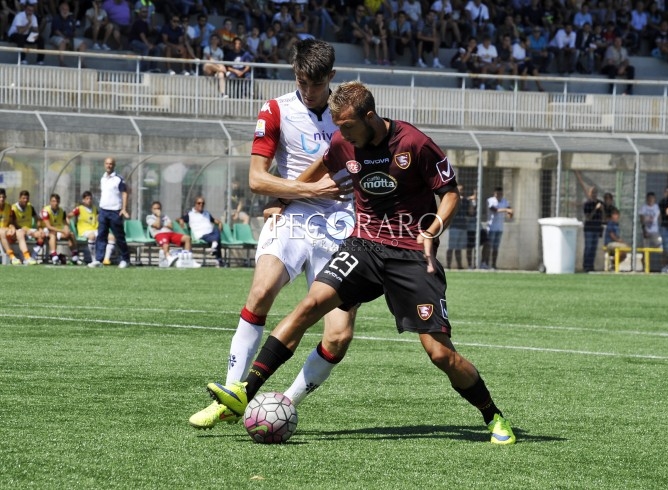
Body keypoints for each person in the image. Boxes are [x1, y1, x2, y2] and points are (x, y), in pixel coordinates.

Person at [207, 80, 516, 445]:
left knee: (440, 354)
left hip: (410, 253)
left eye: (348, 125)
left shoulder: (414, 143)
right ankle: (246, 390)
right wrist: (282, 199)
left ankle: (493, 415)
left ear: (370, 117)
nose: (341, 133)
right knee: (309, 306)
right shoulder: (343, 142)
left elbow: (449, 194)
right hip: (363, 245)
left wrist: (433, 228)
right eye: (338, 126)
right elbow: (320, 167)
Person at [189, 39, 357, 430]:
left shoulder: (349, 116)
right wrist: (305, 192)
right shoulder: (276, 109)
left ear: (330, 78)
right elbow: (256, 179)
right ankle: (231, 397)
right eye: (301, 81)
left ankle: (283, 404)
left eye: (315, 84)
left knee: (338, 334)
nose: (307, 90)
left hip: (343, 226)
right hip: (294, 215)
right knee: (261, 292)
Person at [89, 157, 130, 268]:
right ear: (104, 164)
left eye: (111, 164)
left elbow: (125, 193)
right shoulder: (103, 178)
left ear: (114, 165)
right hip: (103, 211)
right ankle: (99, 260)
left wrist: (124, 208)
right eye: (107, 164)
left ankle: (125, 259)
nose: (109, 166)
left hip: (115, 212)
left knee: (119, 236)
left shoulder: (118, 179)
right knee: (101, 235)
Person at [146, 201, 199, 268]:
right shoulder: (149, 217)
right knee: (165, 243)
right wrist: (159, 217)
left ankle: (188, 259)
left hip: (170, 233)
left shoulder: (165, 216)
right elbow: (157, 226)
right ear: (152, 209)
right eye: (155, 209)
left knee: (187, 238)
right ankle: (169, 258)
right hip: (159, 234)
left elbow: (171, 226)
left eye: (158, 208)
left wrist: (163, 224)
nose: (157, 210)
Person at [70, 190, 117, 264]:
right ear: (83, 200)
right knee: (92, 236)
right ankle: (94, 259)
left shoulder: (95, 209)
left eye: (90, 199)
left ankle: (106, 259)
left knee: (111, 237)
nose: (89, 200)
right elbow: (69, 215)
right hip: (84, 231)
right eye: (87, 199)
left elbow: (98, 217)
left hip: (95, 230)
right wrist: (69, 224)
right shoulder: (79, 208)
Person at [178, 196, 225, 268]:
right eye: (199, 203)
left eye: (203, 203)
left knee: (216, 230)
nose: (201, 205)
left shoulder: (206, 213)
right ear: (195, 204)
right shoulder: (190, 214)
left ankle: (214, 246)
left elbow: (214, 220)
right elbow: (179, 219)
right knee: (217, 239)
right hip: (201, 235)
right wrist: (181, 220)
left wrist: (220, 223)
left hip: (211, 233)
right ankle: (218, 258)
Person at [39, 193, 82, 265]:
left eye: (57, 201)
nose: (55, 203)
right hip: (46, 230)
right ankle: (54, 255)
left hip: (57, 230)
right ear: (50, 202)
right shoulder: (45, 211)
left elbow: (65, 223)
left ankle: (75, 255)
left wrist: (66, 230)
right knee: (52, 234)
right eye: (53, 201)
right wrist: (62, 230)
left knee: (70, 234)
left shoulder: (62, 211)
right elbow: (49, 226)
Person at [0, 187, 36, 265]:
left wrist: (12, 228)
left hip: (6, 230)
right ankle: (12, 256)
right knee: (1, 231)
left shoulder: (8, 207)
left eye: (3, 197)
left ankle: (27, 257)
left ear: (5, 197)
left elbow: (10, 221)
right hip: (1, 231)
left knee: (20, 232)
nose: (1, 199)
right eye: (0, 197)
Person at [482, 186, 512, 271]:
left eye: (500, 193)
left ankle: (493, 265)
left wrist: (510, 213)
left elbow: (510, 210)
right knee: (488, 246)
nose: (499, 195)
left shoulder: (504, 201)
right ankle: (485, 263)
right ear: (494, 193)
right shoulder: (490, 200)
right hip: (491, 228)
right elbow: (494, 210)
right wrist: (507, 210)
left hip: (499, 228)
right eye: (497, 193)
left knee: (496, 248)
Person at [50, 1, 88, 67]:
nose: (65, 11)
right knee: (62, 42)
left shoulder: (71, 19)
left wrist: (72, 38)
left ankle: (81, 64)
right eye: (63, 9)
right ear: (60, 9)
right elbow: (56, 31)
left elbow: (74, 31)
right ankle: (61, 63)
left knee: (83, 44)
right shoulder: (56, 18)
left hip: (69, 38)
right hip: (56, 37)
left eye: (67, 9)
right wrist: (65, 38)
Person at [11, 189, 45, 260]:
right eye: (23, 198)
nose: (25, 200)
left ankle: (33, 256)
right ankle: (25, 256)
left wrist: (40, 228)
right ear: (19, 198)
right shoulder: (13, 208)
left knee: (42, 235)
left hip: (29, 230)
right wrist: (25, 229)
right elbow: (13, 223)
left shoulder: (30, 207)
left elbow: (37, 219)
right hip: (19, 230)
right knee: (22, 233)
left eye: (27, 198)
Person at [445, 184, 469, 269]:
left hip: (463, 226)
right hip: (454, 226)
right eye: (459, 190)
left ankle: (459, 265)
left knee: (459, 248)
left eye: (462, 190)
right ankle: (448, 265)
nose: (460, 191)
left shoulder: (466, 201)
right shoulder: (453, 199)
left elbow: (470, 212)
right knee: (451, 247)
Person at [582, 185, 604, 272]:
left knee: (594, 248)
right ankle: (586, 266)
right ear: (589, 193)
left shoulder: (600, 203)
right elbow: (588, 217)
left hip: (597, 228)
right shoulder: (587, 204)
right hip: (589, 229)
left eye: (595, 192)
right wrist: (595, 209)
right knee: (589, 247)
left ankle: (591, 266)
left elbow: (604, 217)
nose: (594, 194)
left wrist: (602, 210)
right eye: (592, 192)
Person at [202, 33, 228, 98]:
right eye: (212, 39)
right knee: (209, 64)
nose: (214, 40)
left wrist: (220, 67)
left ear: (218, 41)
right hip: (207, 68)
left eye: (215, 39)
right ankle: (222, 70)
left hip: (216, 69)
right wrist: (221, 67)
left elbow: (221, 61)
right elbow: (209, 58)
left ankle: (222, 93)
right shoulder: (207, 48)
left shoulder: (220, 51)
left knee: (221, 74)